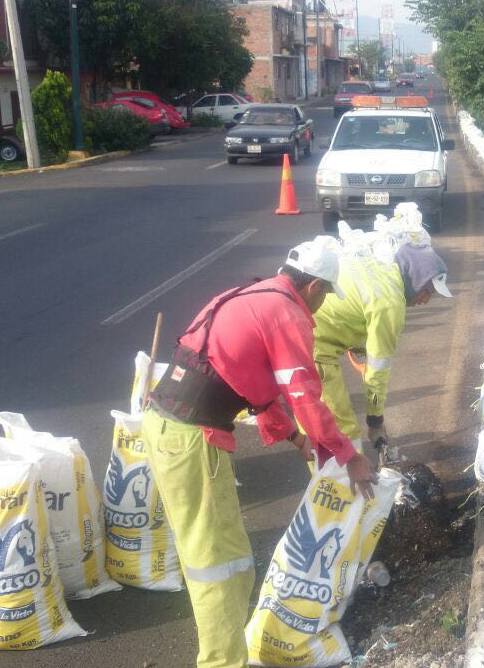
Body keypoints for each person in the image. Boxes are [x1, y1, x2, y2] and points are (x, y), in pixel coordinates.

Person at [142, 235, 376, 668]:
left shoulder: (250, 296)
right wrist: (349, 455)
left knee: (229, 561)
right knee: (217, 566)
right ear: (314, 288)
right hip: (192, 440)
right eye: (325, 296)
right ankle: (222, 663)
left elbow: (258, 392)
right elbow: (305, 395)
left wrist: (298, 440)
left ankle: (229, 655)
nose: (321, 306)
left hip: (169, 428)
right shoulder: (288, 314)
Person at [309, 243, 452, 461]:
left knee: (316, 423)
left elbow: (353, 305)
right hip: (311, 343)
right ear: (415, 281)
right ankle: (346, 489)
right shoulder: (390, 304)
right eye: (427, 291)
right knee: (340, 428)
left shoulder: (380, 269)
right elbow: (377, 373)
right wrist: (375, 421)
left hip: (307, 327)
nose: (426, 301)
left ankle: (332, 482)